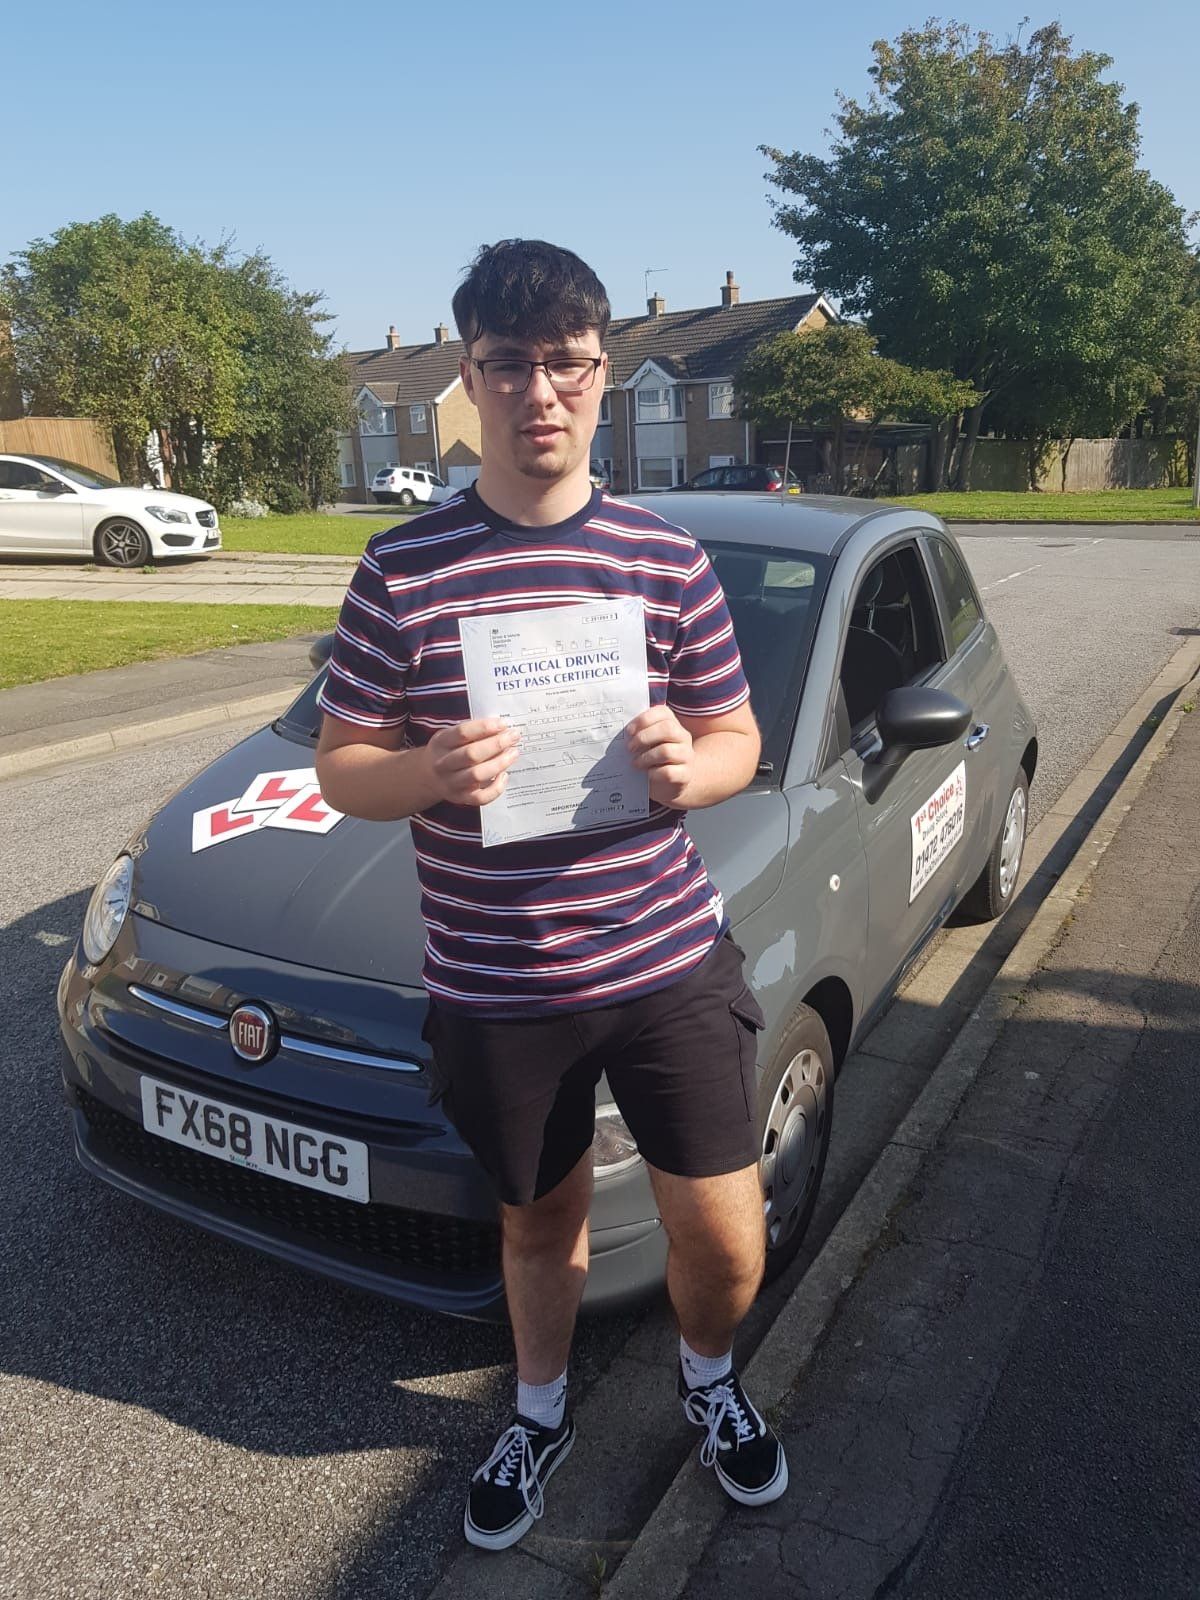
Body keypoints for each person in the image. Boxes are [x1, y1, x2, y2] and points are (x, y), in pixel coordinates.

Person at [315, 239, 787, 1551]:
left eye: (568, 364)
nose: (540, 392)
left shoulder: (662, 558)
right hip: (499, 983)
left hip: (665, 963)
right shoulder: (400, 569)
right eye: (508, 365)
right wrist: (423, 771)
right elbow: (341, 767)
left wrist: (695, 768)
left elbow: (737, 738)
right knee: (540, 1225)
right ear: (470, 378)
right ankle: (537, 1412)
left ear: (601, 373)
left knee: (726, 1237)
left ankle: (708, 1378)